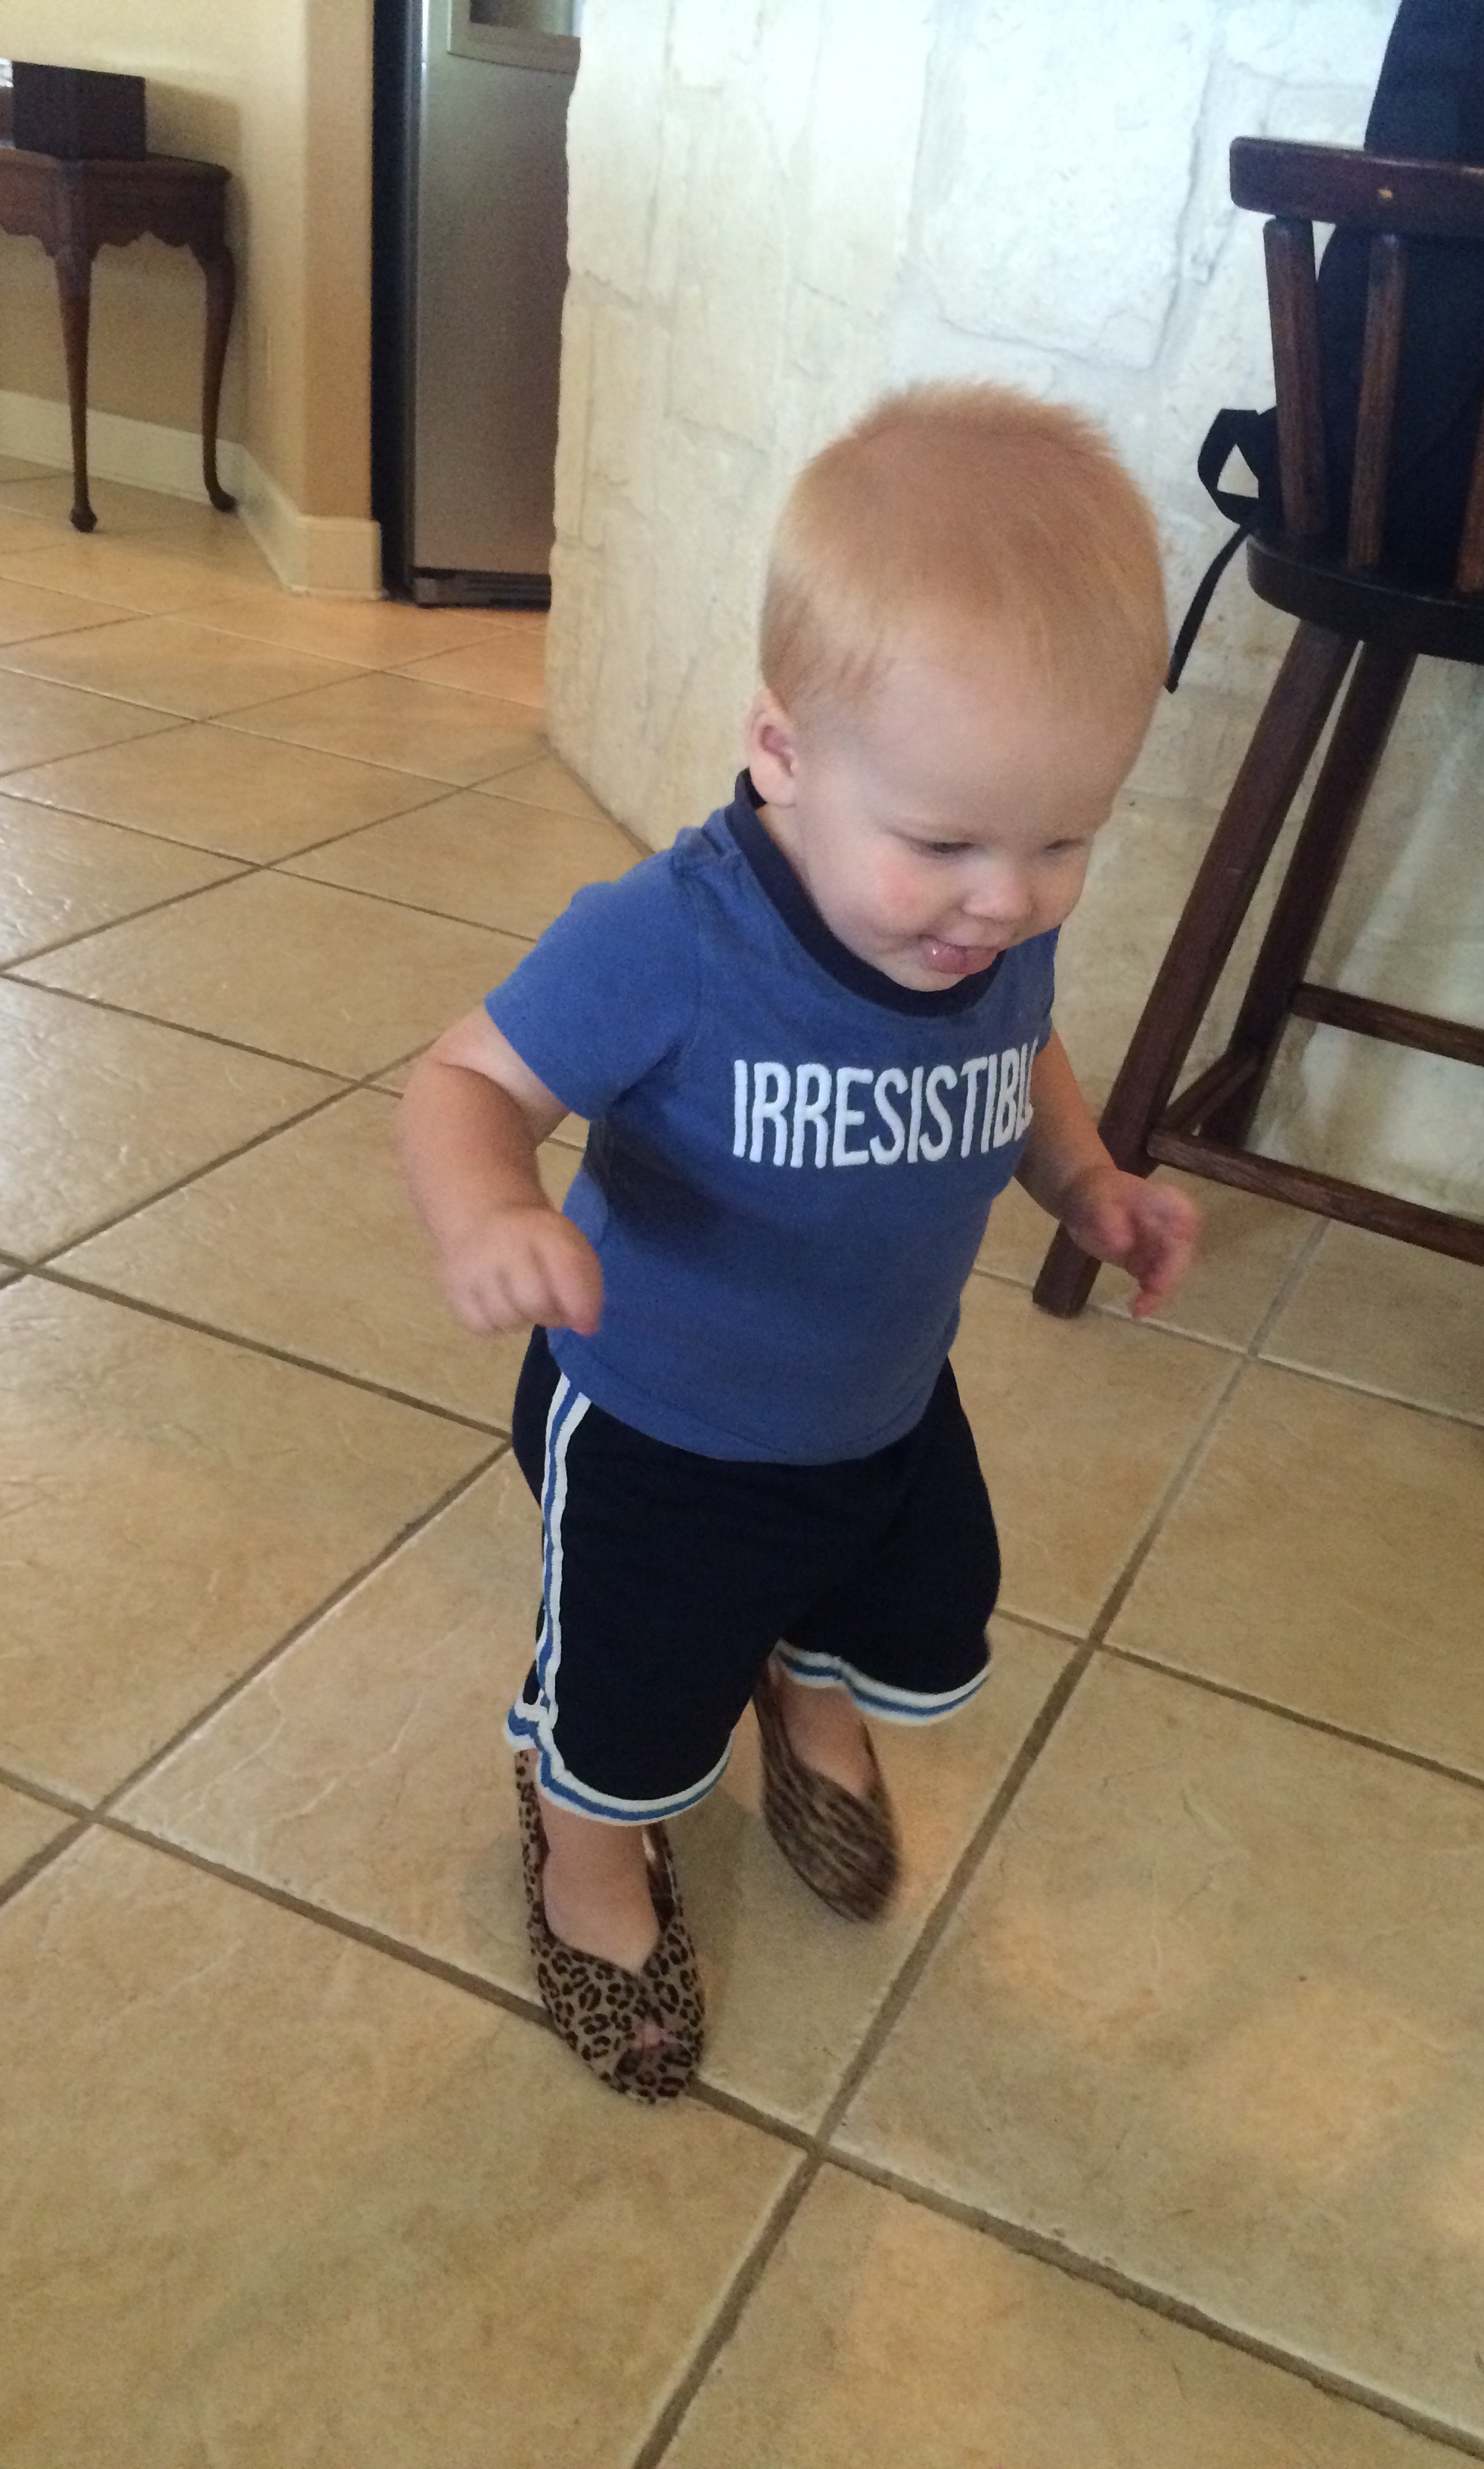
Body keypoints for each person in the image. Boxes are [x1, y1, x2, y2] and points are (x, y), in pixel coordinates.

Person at [397, 383, 1198, 2101]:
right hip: (667, 1432)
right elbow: (463, 1081)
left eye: (1065, 841)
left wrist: (1082, 1180)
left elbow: (1024, 1047)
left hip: (882, 1405)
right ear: (783, 751)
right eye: (945, 844)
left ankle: (803, 1686)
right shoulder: (668, 940)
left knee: (900, 1592)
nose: (1007, 900)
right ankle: (588, 1865)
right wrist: (493, 1208)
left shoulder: (986, 930)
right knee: (633, 1692)